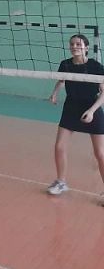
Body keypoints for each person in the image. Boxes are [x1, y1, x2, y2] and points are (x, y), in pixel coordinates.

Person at [46, 34, 104, 202]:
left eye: (78, 44)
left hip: (91, 108)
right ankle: (61, 182)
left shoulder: (95, 66)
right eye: (72, 44)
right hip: (71, 108)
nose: (74, 47)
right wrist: (54, 93)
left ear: (86, 47)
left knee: (100, 153)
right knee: (59, 147)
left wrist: (92, 111)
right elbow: (62, 80)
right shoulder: (65, 64)